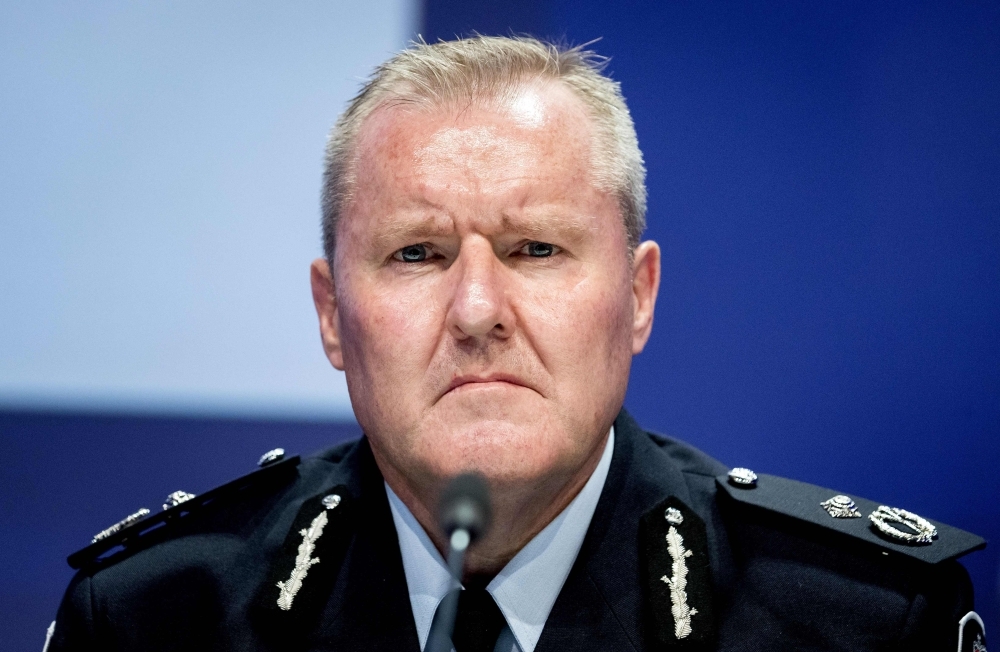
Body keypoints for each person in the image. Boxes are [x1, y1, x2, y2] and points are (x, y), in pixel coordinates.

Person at [47, 36, 987, 652]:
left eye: (536, 249)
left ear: (637, 294)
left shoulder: (864, 623)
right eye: (417, 253)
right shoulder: (152, 619)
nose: (477, 309)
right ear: (333, 316)